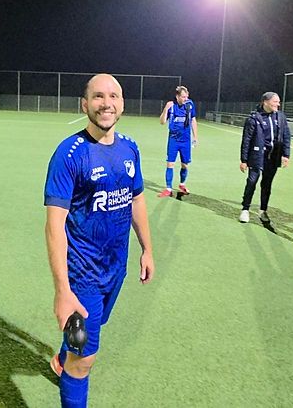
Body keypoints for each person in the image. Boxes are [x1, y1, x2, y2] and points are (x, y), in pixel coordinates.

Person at [44, 73, 155, 407]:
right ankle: (70, 363)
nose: (106, 104)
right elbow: (54, 225)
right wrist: (62, 291)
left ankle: (62, 358)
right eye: (98, 97)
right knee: (84, 362)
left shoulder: (130, 148)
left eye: (113, 96)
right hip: (82, 276)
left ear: (122, 104)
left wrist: (147, 249)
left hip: (115, 269)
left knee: (86, 337)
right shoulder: (69, 154)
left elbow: (136, 199)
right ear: (85, 104)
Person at [238, 92, 290, 223]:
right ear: (265, 102)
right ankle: (245, 209)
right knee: (252, 182)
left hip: (273, 157)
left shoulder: (281, 117)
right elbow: (246, 140)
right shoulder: (254, 118)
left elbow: (286, 136)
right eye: (275, 102)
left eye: (278, 102)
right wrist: (244, 160)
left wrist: (286, 154)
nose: (278, 104)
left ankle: (263, 210)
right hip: (257, 156)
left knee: (267, 184)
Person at [158, 85, 197, 197]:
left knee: (185, 165)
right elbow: (162, 122)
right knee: (170, 164)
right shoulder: (171, 106)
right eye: (183, 97)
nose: (185, 99)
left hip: (185, 140)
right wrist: (165, 109)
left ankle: (182, 184)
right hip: (173, 140)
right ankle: (168, 188)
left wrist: (195, 137)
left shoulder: (190, 105)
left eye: (186, 96)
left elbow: (193, 120)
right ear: (177, 96)